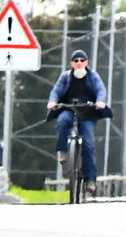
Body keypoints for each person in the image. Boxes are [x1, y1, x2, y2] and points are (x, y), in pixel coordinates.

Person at [46, 47, 109, 194]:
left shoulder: (93, 76)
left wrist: (100, 102)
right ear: (71, 63)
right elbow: (56, 90)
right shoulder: (66, 77)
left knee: (88, 144)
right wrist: (52, 101)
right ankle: (63, 151)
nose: (79, 63)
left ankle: (90, 180)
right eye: (76, 61)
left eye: (82, 60)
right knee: (62, 121)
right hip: (69, 109)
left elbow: (100, 90)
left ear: (86, 62)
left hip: (88, 113)